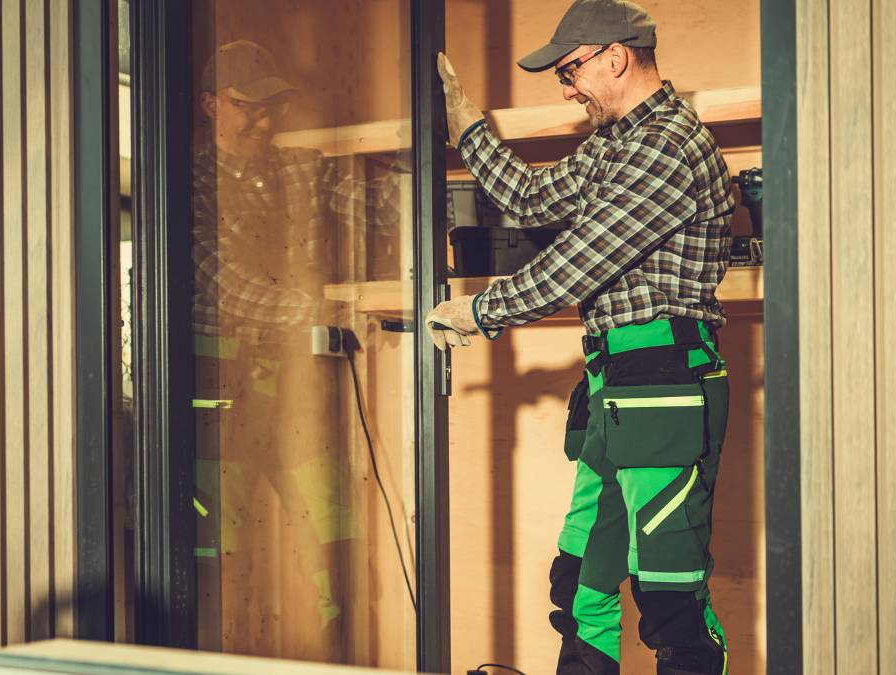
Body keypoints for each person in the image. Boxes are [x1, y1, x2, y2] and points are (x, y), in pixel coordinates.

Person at [425, 1, 735, 673]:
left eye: (570, 70)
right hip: (615, 388)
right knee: (581, 584)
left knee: (670, 598)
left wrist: (480, 311)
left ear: (615, 57)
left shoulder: (669, 146)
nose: (566, 89)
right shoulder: (617, 142)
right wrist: (466, 127)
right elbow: (535, 200)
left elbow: (581, 261)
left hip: (666, 386)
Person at [191, 39, 401, 655]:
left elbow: (389, 205)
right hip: (217, 398)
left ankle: (339, 653)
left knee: (337, 537)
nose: (263, 119)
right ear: (209, 104)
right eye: (245, 105)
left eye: (273, 106)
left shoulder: (302, 169)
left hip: (298, 390)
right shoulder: (185, 181)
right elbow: (217, 286)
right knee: (219, 555)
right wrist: (321, 309)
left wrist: (433, 158)